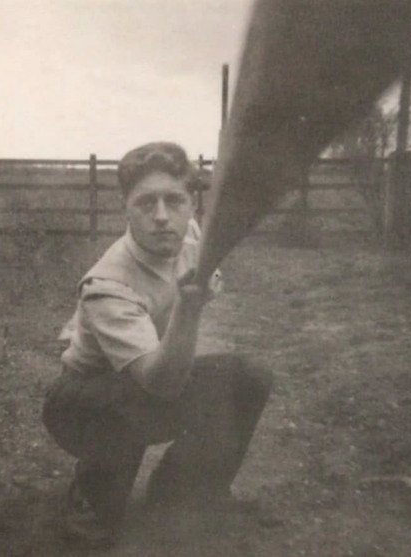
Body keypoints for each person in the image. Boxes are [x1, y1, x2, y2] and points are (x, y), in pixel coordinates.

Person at [42, 141, 272, 547]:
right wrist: (187, 308)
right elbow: (159, 383)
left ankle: (179, 494)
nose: (163, 217)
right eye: (146, 203)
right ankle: (92, 499)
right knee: (135, 400)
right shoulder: (108, 283)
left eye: (175, 201)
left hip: (139, 378)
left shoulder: (192, 238)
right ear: (125, 207)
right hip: (81, 401)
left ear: (192, 205)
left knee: (248, 378)